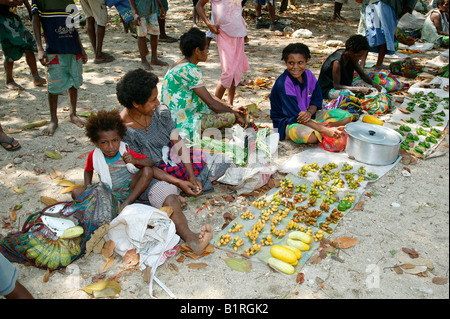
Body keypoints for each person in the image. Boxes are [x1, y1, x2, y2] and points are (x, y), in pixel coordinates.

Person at [117, 68, 213, 255]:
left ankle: (181, 192)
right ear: (136, 103)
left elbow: (178, 142)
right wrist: (179, 182)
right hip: (148, 175)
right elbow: (148, 168)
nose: (158, 102)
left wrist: (191, 175)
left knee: (215, 163)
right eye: (153, 100)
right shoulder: (124, 132)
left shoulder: (160, 113)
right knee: (168, 195)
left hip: (171, 161)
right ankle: (192, 239)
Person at [161, 27, 247, 141]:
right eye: (206, 49)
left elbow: (207, 95)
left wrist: (230, 107)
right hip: (182, 124)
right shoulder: (190, 69)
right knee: (230, 118)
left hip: (171, 121)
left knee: (228, 113)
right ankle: (204, 136)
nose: (207, 52)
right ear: (197, 51)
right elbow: (211, 103)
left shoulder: (178, 65)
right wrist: (234, 114)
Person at [72, 109, 155, 214]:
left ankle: (127, 203)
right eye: (104, 142)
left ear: (120, 137)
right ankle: (112, 206)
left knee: (148, 171)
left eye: (114, 140)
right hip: (108, 191)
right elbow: (88, 170)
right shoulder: (94, 156)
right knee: (76, 193)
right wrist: (88, 187)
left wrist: (135, 160)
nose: (110, 146)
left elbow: (150, 163)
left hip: (130, 188)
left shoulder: (124, 151)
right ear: (95, 142)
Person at [270, 43, 353, 144]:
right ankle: (323, 129)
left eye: (300, 62)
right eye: (291, 63)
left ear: (307, 61)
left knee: (346, 116)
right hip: (289, 122)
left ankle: (320, 128)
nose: (295, 67)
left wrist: (309, 112)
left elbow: (316, 99)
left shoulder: (309, 76)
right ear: (285, 62)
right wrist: (326, 130)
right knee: (311, 137)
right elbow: (297, 116)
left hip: (309, 115)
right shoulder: (283, 84)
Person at [31, 0, 88, 136]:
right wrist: (39, 48)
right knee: (54, 85)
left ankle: (73, 113)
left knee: (74, 81)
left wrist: (81, 49)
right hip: (54, 50)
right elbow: (35, 22)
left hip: (73, 48)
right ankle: (53, 119)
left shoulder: (69, 2)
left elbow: (74, 28)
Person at [196, 0, 250, 106]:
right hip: (224, 33)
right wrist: (209, 24)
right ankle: (214, 105)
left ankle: (230, 103)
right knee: (228, 73)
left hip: (239, 33)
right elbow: (199, 5)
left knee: (235, 71)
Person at [318, 34, 383, 100]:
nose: (360, 58)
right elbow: (336, 86)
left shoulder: (351, 58)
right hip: (329, 90)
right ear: (351, 51)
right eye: (358, 56)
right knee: (348, 96)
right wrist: (358, 89)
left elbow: (362, 75)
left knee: (368, 86)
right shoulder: (336, 62)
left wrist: (374, 84)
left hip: (344, 86)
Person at [358, 0, 418, 69]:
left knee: (371, 33)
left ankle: (362, 64)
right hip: (386, 8)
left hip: (372, 5)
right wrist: (397, 17)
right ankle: (379, 64)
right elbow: (408, 7)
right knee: (386, 35)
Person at [0, 0, 46, 90]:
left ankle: (36, 77)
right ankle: (9, 80)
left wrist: (31, 11)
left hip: (12, 16)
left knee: (29, 44)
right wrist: (7, 2)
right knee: (9, 47)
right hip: (1, 18)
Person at [129, 0, 168, 70]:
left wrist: (161, 6)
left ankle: (154, 58)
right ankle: (143, 60)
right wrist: (134, 12)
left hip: (152, 9)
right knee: (141, 34)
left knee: (155, 32)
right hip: (140, 10)